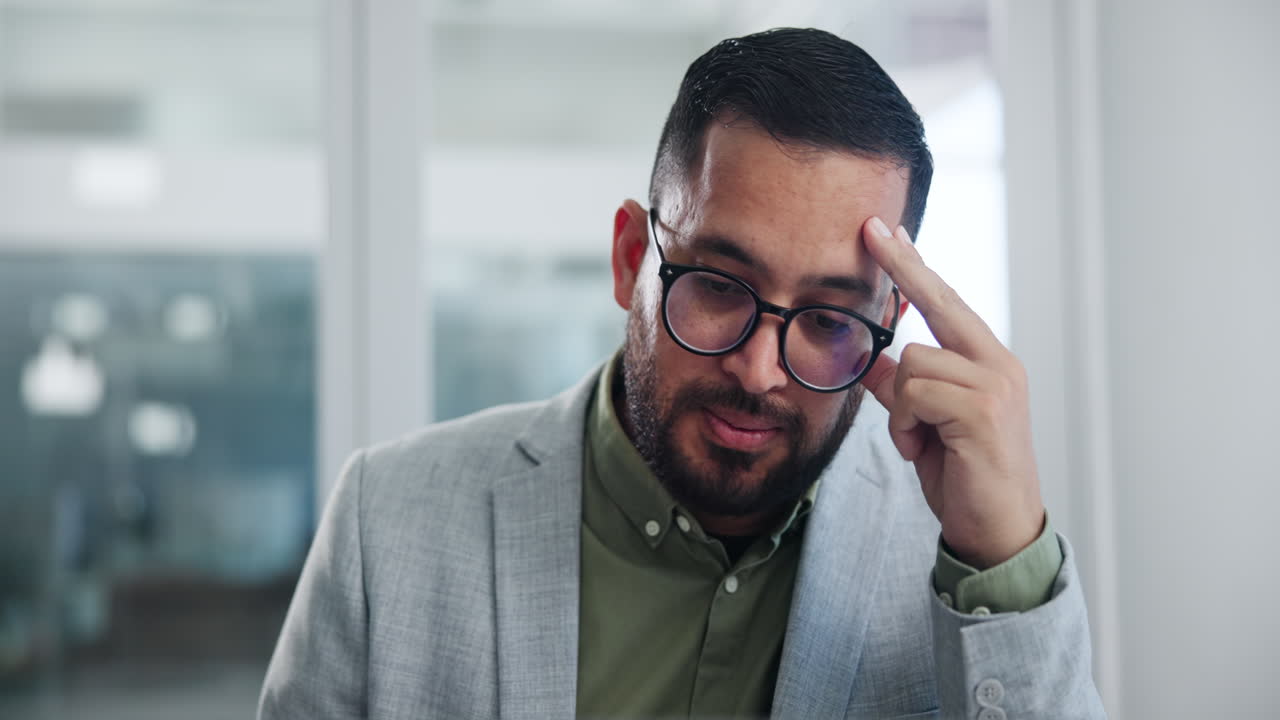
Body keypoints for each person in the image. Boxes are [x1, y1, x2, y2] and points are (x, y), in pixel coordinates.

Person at [259, 28, 1105, 720]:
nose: (759, 369)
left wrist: (1004, 567)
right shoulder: (390, 520)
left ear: (885, 328)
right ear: (634, 256)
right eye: (719, 286)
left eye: (826, 318)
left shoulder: (962, 563)